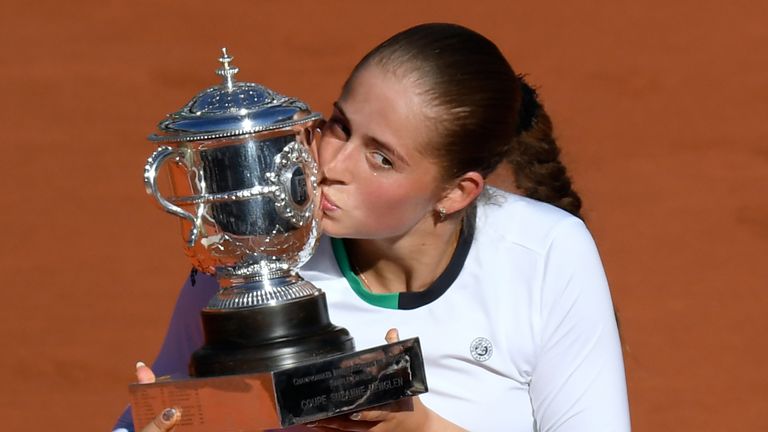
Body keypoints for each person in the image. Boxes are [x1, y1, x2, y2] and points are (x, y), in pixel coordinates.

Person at [114, 23, 630, 432]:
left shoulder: (544, 253)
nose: (332, 163)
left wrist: (419, 430)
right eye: (340, 125)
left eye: (381, 159)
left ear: (455, 193)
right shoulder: (250, 249)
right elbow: (157, 413)